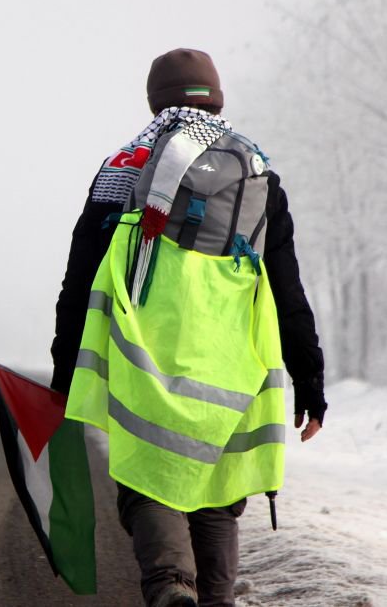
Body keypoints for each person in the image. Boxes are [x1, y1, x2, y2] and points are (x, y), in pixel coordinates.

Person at [50, 48, 327, 607]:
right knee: (217, 491)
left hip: (142, 355)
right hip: (229, 361)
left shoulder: (122, 171)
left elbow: (80, 282)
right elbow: (287, 289)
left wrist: (65, 373)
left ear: (155, 100)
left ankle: (171, 582)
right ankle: (216, 598)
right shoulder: (257, 174)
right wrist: (310, 381)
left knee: (148, 476)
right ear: (216, 97)